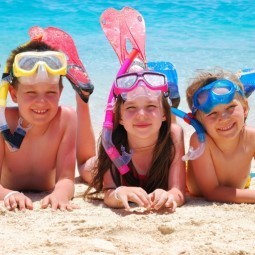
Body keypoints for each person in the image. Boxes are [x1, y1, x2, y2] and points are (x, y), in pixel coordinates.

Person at [84, 69, 186, 212]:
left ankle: (167, 97)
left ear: (164, 113)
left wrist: (169, 195)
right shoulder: (112, 141)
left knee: (169, 128)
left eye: (151, 106)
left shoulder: (174, 135)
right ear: (119, 117)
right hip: (97, 165)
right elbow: (109, 192)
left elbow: (178, 191)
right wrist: (120, 193)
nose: (141, 115)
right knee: (85, 166)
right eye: (131, 107)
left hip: (163, 131)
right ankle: (82, 96)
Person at [0, 40, 77, 211]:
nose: (41, 102)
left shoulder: (66, 119)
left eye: (50, 92)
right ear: (13, 94)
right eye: (30, 92)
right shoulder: (3, 122)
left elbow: (66, 179)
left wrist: (60, 194)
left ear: (60, 92)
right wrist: (9, 194)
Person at [186, 69, 255, 203]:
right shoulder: (201, 142)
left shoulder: (252, 138)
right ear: (197, 121)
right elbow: (212, 193)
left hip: (243, 182)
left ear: (245, 109)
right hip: (203, 182)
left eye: (230, 108)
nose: (224, 118)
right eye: (212, 114)